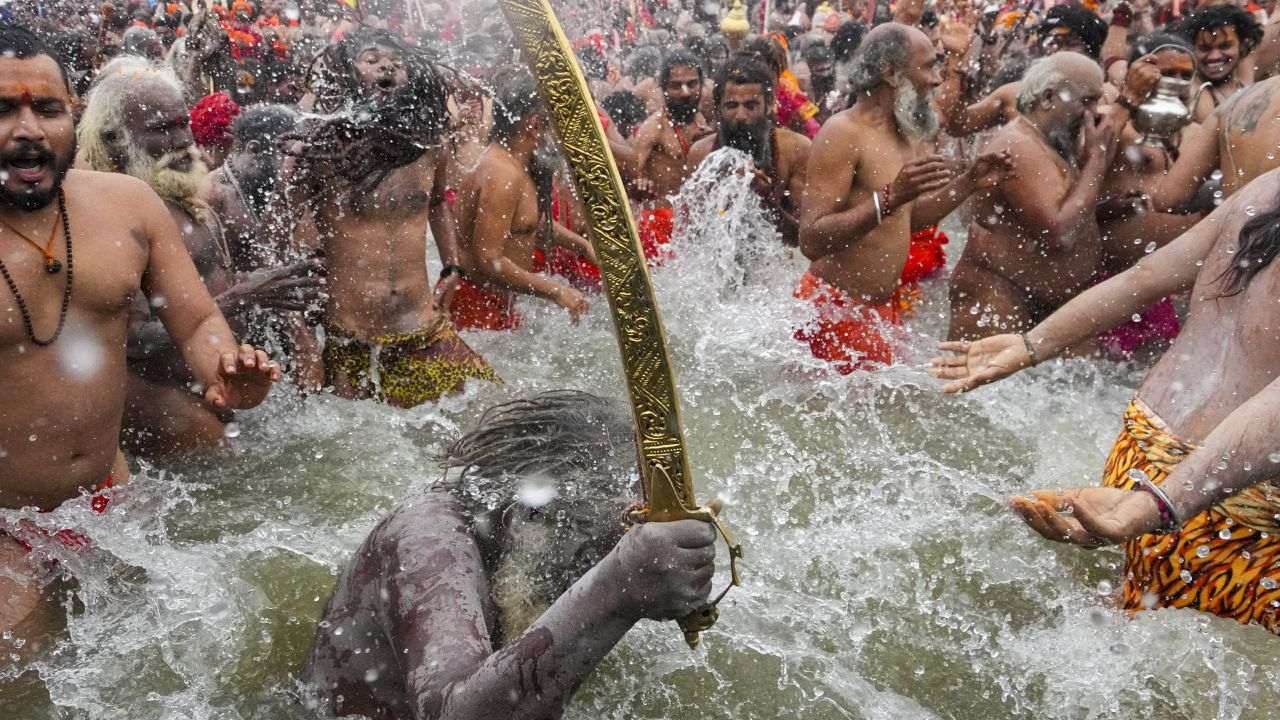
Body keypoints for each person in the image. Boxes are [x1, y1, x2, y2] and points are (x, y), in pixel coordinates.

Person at [0, 24, 277, 650]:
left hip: (110, 502)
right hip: (4, 526)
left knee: (165, 661)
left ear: (73, 117)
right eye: (3, 109)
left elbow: (198, 321)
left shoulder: (129, 205)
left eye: (46, 108)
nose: (28, 130)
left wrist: (227, 371)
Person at [930, 167, 1280, 636]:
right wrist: (1161, 506)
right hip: (1224, 495)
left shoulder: (1267, 188)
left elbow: (1148, 275)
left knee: (1139, 626)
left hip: (1142, 449)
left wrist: (1036, 342)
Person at [305, 391, 720, 718]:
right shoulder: (429, 538)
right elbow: (455, 715)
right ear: (535, 512)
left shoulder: (542, 548)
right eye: (623, 524)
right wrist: (620, 581)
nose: (628, 533)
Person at [76, 57, 317, 456]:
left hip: (208, 381)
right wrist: (238, 299)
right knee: (221, 459)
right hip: (153, 394)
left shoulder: (190, 191)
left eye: (181, 122)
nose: (181, 139)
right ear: (116, 139)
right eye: (160, 129)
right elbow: (127, 341)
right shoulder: (109, 215)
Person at [288, 28, 498, 407]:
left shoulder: (428, 143)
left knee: (482, 406)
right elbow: (283, 233)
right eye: (371, 60)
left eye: (396, 62)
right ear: (344, 75)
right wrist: (302, 337)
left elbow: (436, 203)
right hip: (349, 336)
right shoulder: (317, 152)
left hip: (420, 324)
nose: (386, 65)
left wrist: (452, 267)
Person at [798, 23, 1013, 373]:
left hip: (883, 311)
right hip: (834, 310)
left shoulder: (905, 132)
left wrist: (969, 182)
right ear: (891, 72)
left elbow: (906, 219)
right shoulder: (842, 132)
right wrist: (890, 196)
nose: (936, 80)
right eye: (928, 66)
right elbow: (811, 240)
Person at [947, 52, 1158, 342]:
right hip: (999, 293)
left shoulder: (1055, 141)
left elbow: (1061, 206)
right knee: (980, 384)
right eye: (1087, 101)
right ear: (1047, 98)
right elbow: (1057, 233)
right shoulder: (1017, 144)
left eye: (1098, 101)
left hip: (1051, 301)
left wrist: (1110, 208)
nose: (1094, 112)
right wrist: (1097, 159)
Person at [451, 72, 595, 332]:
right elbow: (489, 260)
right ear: (534, 123)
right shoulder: (501, 174)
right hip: (480, 313)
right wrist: (556, 291)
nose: (558, 132)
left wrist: (584, 246)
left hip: (502, 306)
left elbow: (526, 224)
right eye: (553, 122)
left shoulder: (514, 164)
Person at [687, 55, 811, 246]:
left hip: (778, 265)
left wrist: (767, 200)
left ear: (769, 105)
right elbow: (694, 238)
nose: (741, 116)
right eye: (731, 106)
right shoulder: (701, 154)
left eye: (751, 106)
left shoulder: (795, 149)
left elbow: (808, 239)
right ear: (718, 109)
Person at [935, 3, 1108, 138]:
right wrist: (955, 59)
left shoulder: (1107, 101)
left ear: (1091, 51)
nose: (1059, 51)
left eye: (1070, 43)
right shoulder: (1016, 93)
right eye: (1053, 41)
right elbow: (957, 126)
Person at [630, 49, 714, 260]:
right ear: (663, 89)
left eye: (692, 84)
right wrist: (639, 184)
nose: (685, 92)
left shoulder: (702, 121)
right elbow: (630, 173)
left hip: (696, 225)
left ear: (701, 85)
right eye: (676, 86)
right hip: (661, 225)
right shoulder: (653, 128)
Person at [1177, 4, 1262, 122]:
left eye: (1225, 46)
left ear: (1242, 45)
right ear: (1192, 49)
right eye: (1205, 48)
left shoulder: (1245, 76)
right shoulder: (1196, 91)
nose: (1214, 56)